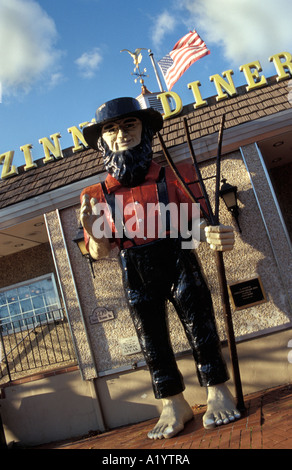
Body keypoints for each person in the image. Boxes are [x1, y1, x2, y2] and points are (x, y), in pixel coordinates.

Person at [80, 97, 241, 439]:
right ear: (102, 141)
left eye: (129, 125)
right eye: (111, 129)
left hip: (178, 253)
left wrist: (211, 235)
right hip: (133, 263)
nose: (120, 134)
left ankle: (217, 391)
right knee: (150, 336)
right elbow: (100, 251)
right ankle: (172, 402)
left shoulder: (176, 174)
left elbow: (194, 226)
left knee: (201, 324)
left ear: (146, 129)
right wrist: (93, 229)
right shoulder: (95, 194)